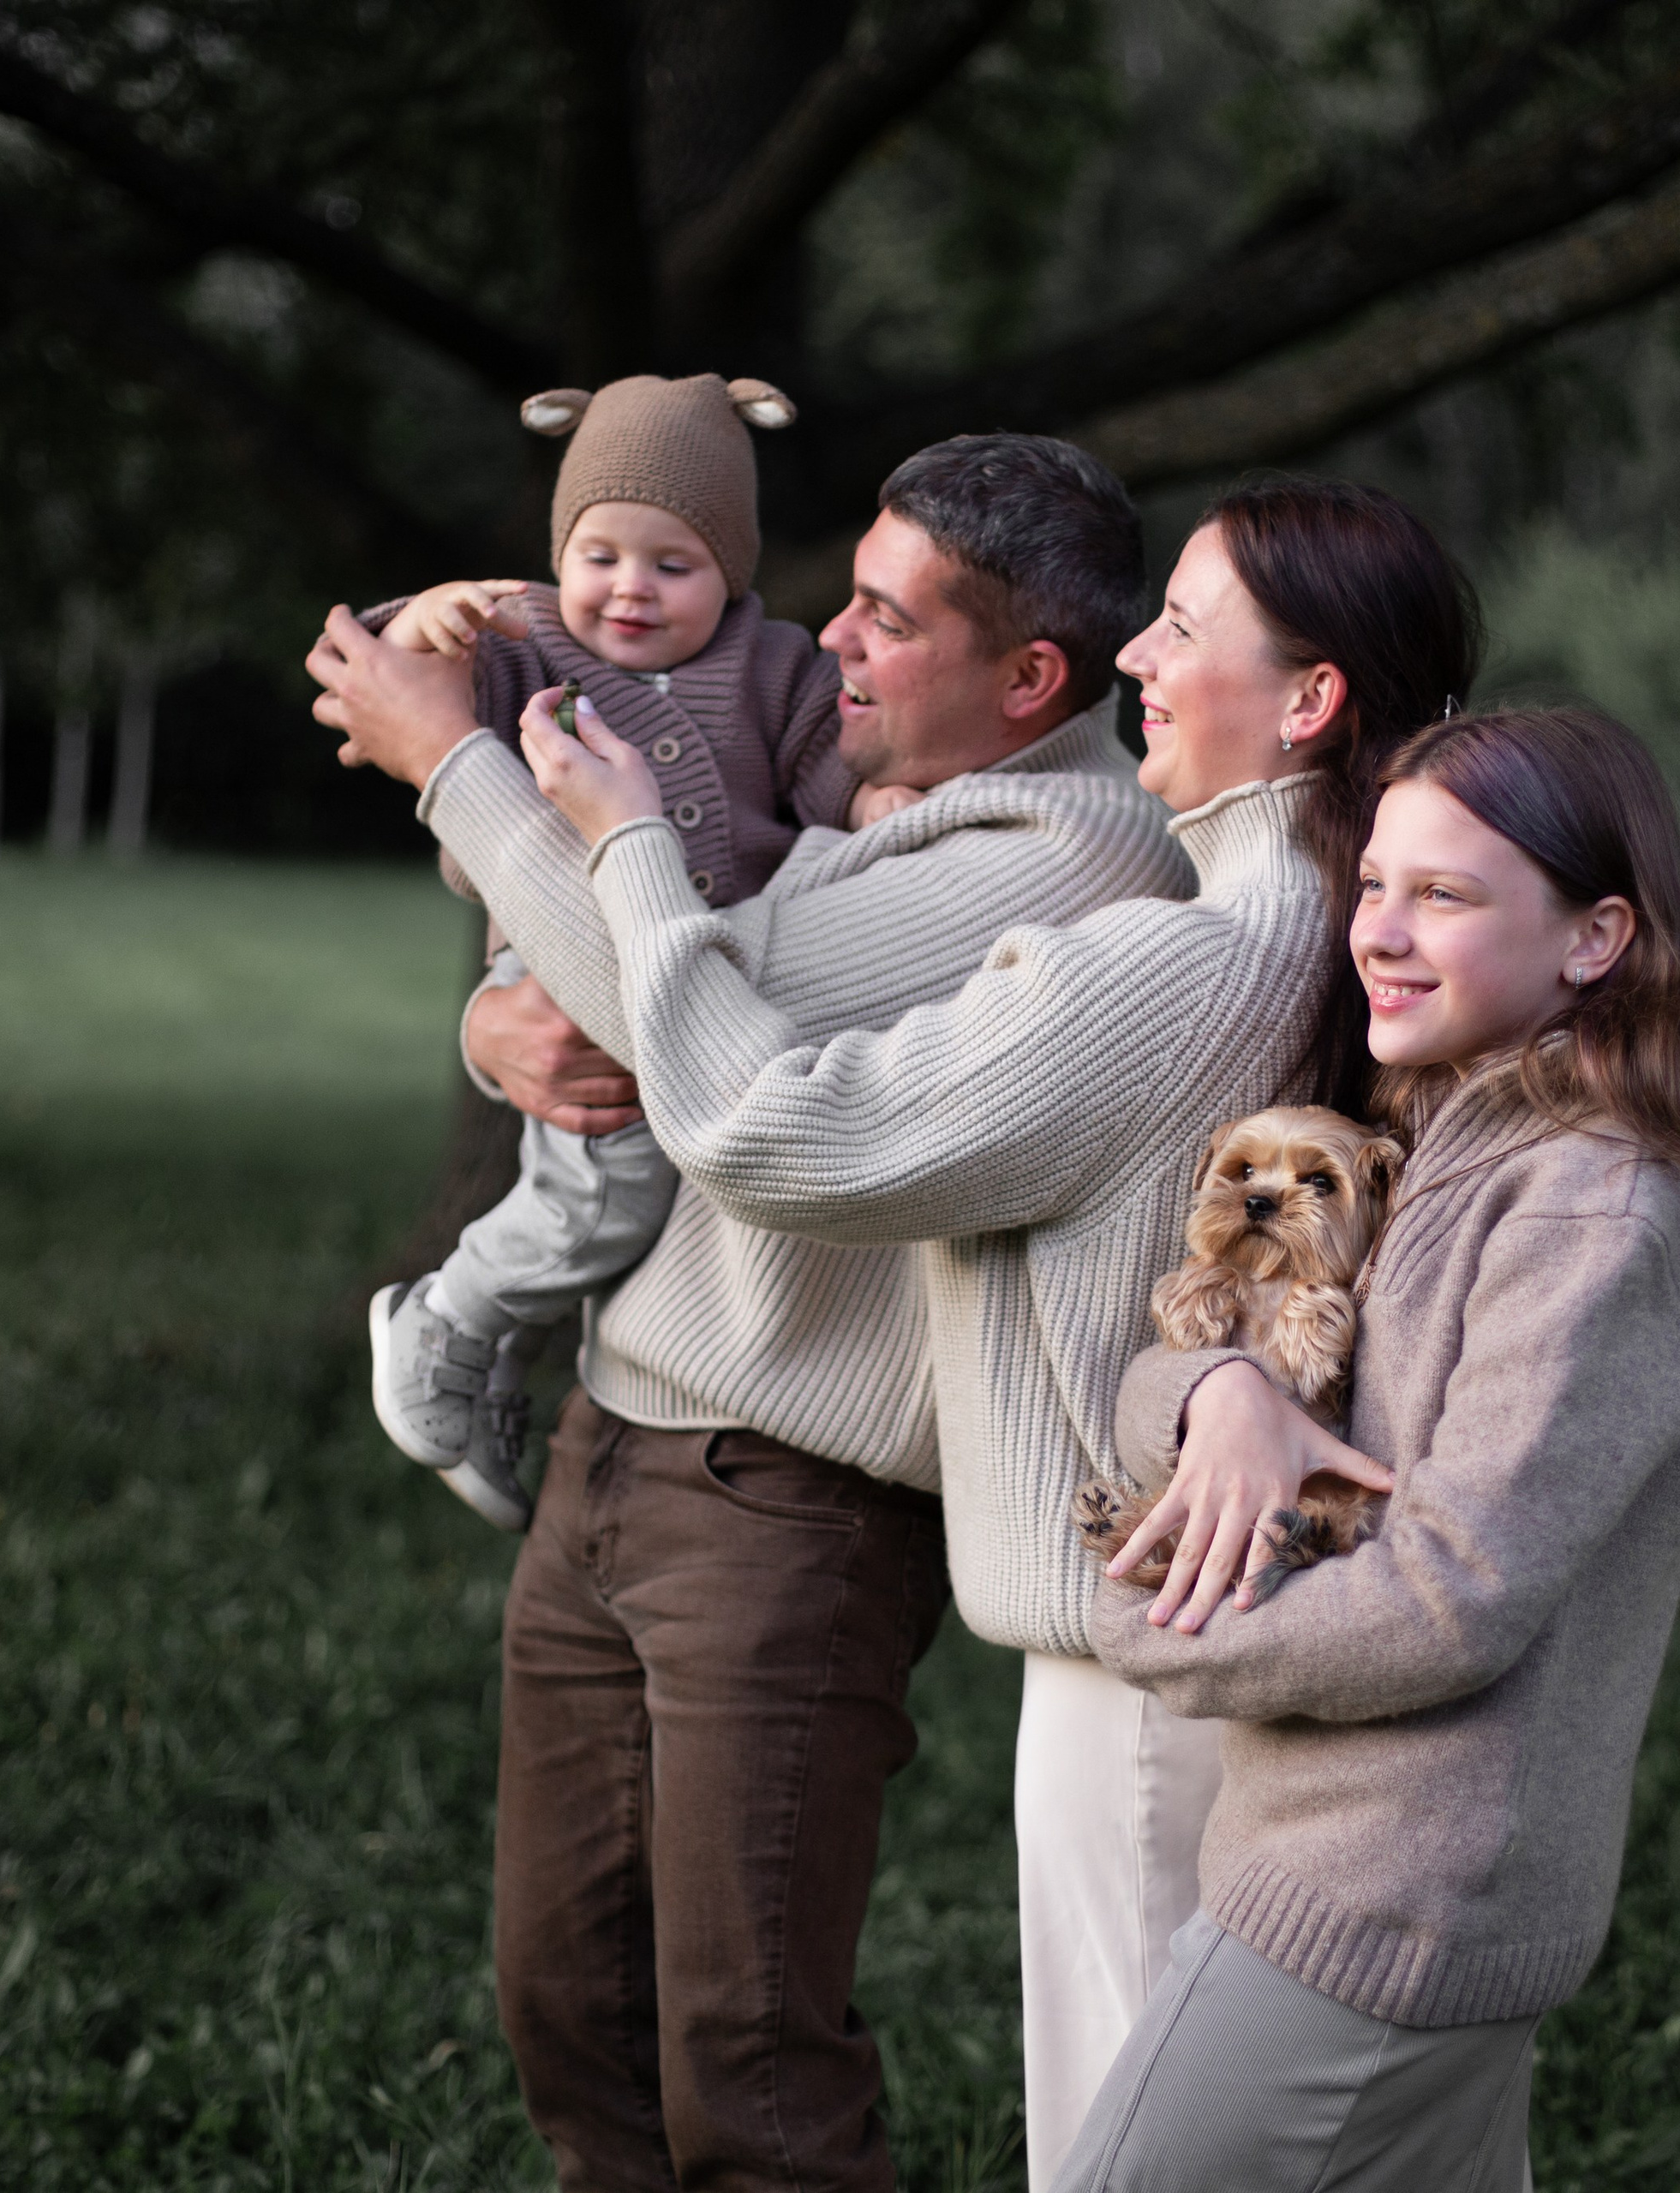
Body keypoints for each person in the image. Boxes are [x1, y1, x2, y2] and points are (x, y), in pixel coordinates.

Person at [473, 476, 1480, 2189]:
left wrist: (590, 830)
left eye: (1176, 622)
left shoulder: (1196, 945)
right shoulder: (1297, 932)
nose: (1131, 657)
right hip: (1174, 1600)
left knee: (1119, 2141)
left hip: (1151, 1634)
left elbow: (780, 1131)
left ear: (1307, 699)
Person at [311, 433, 1187, 2193]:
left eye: (882, 617)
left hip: (788, 1505)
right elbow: (608, 970)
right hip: (614, 1440)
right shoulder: (862, 797)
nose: (829, 641)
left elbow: (670, 995)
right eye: (843, 592)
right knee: (572, 2011)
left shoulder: (1065, 864)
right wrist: (492, 1026)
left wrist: (447, 763)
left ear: (1027, 677)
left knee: (746, 2060)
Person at [1066, 706, 1680, 2192]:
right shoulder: (1435, 1137)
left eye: (1449, 895)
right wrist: (1224, 1400)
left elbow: (1448, 1597)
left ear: (1598, 938)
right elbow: (1208, 1341)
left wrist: (1143, 1623)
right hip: (1339, 1863)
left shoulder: (1593, 1213)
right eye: (1374, 887)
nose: (1383, 936)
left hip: (1396, 1900)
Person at [360, 370, 918, 1530]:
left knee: (660, 1211)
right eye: (600, 553)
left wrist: (871, 802)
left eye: (675, 565)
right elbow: (397, 678)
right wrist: (426, 625)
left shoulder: (772, 665)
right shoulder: (523, 635)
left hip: (699, 963)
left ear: (732, 571)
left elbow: (830, 769)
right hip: (561, 958)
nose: (629, 589)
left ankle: (504, 1345)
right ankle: (445, 1323)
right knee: (606, 1194)